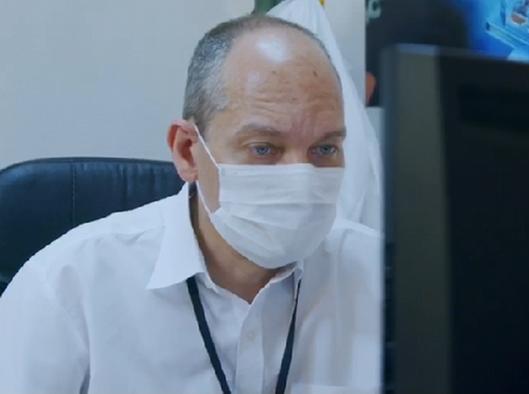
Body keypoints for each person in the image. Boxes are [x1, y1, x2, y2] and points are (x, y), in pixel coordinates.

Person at [0, 15, 381, 394]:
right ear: (187, 152)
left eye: (325, 148)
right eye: (263, 148)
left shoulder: (382, 278)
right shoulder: (67, 289)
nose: (302, 176)